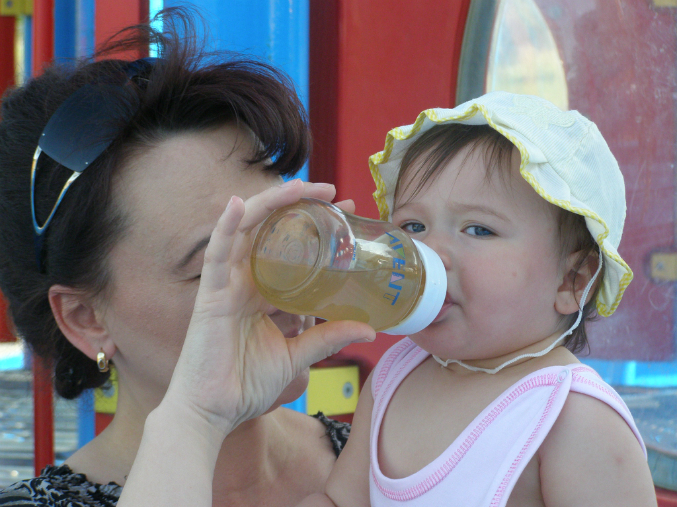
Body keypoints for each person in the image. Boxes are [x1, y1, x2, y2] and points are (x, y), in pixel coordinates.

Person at [0, 9, 374, 507]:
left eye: (280, 234)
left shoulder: (389, 465)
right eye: (213, 268)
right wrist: (198, 419)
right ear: (86, 317)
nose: (287, 281)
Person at [296, 93, 658, 506]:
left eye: (478, 230)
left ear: (571, 282)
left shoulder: (573, 417)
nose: (430, 252)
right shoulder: (394, 376)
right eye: (413, 226)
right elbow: (341, 500)